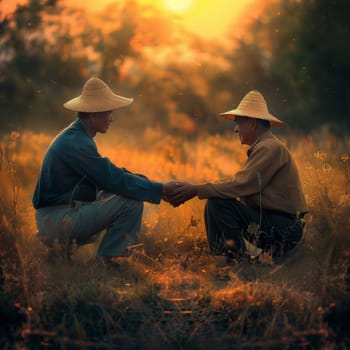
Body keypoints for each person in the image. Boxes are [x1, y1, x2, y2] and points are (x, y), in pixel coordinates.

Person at [32, 77, 178, 267]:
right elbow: (112, 179)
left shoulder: (77, 136)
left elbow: (109, 175)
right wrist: (161, 189)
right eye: (108, 113)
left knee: (125, 190)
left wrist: (149, 184)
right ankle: (108, 261)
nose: (111, 118)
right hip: (56, 222)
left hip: (56, 217)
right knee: (130, 201)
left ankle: (64, 259)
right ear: (93, 115)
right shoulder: (77, 142)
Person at [170, 90, 308, 263]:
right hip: (276, 224)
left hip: (284, 228)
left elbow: (241, 185)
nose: (236, 129)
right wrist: (199, 189)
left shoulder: (269, 148)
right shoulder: (267, 147)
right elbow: (240, 183)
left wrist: (196, 190)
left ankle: (237, 262)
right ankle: (226, 260)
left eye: (239, 123)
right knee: (215, 201)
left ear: (252, 123)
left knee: (217, 203)